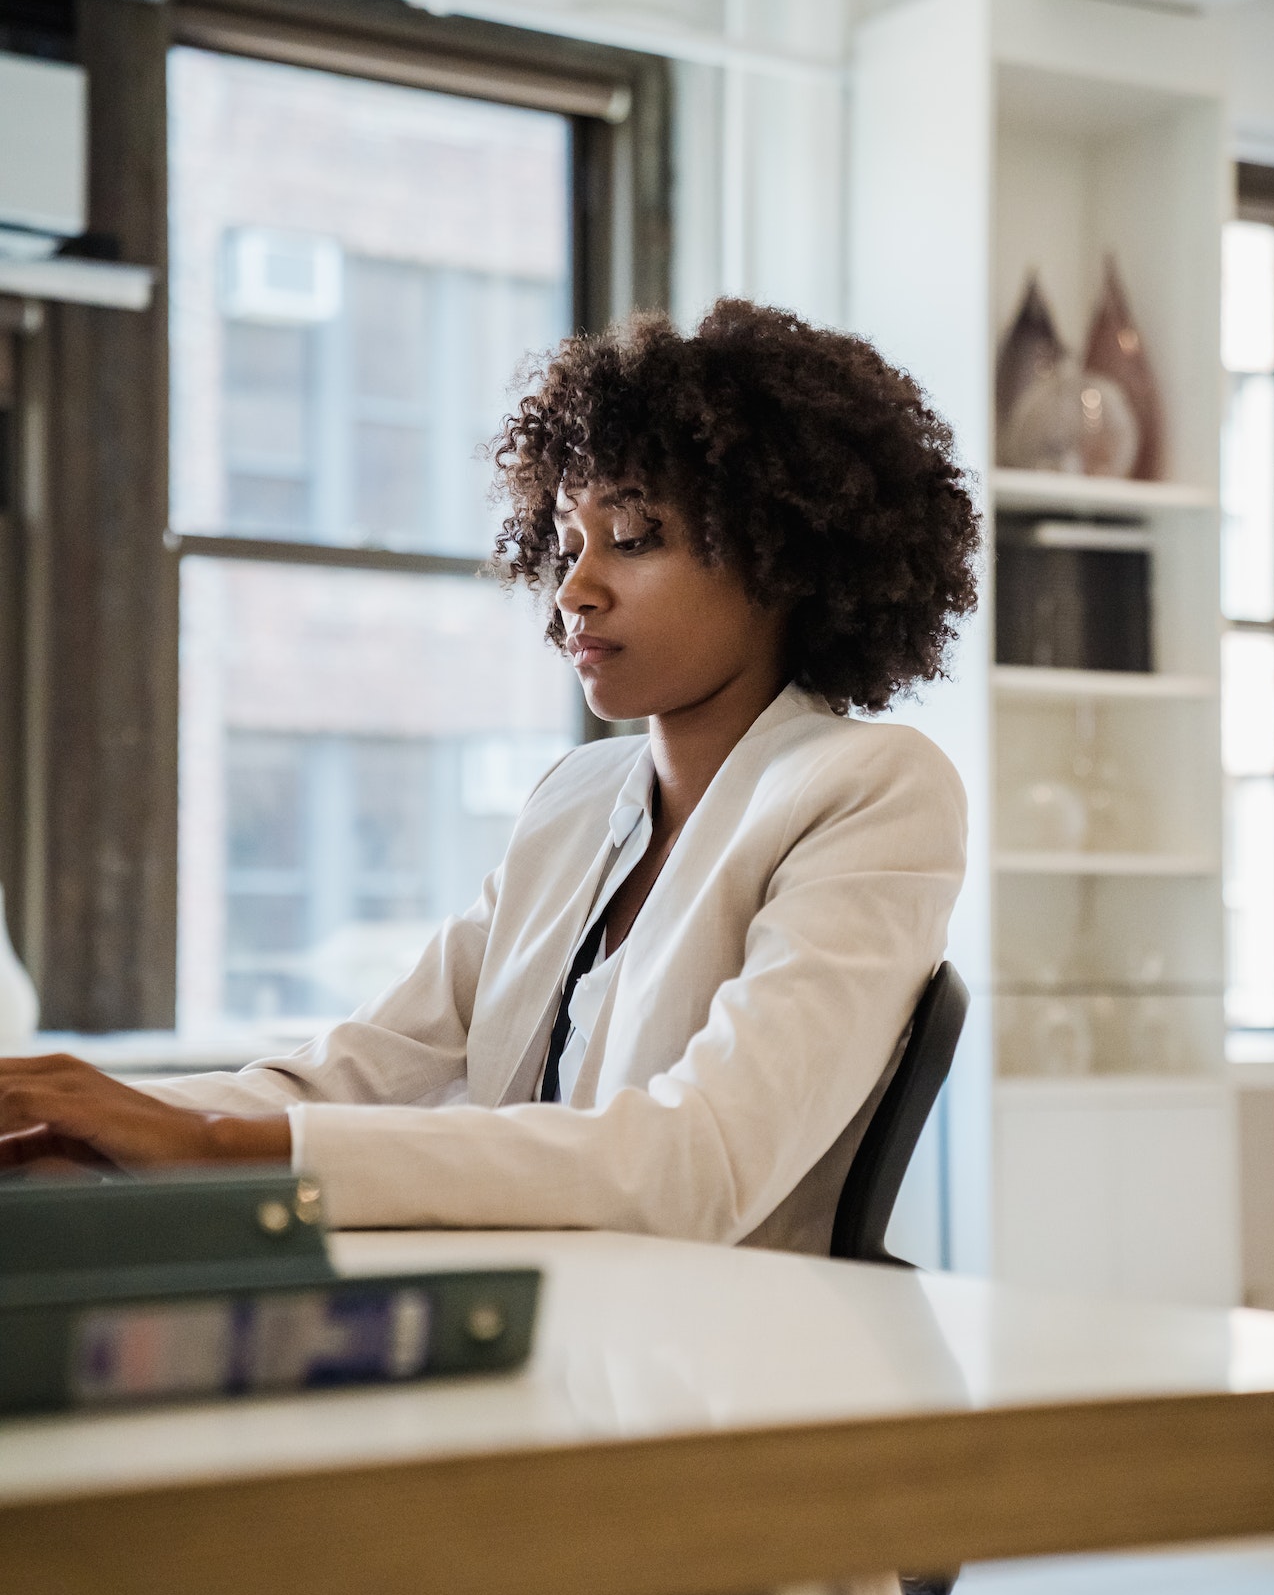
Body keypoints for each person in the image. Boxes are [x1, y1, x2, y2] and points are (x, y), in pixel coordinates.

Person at [0, 298, 979, 1254]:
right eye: (564, 545)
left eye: (633, 539)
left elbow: (702, 1160)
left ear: (785, 554)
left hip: (722, 1360)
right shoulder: (577, 800)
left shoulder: (872, 787)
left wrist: (207, 1145)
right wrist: (73, 1121)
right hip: (544, 1328)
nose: (574, 590)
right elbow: (359, 1075)